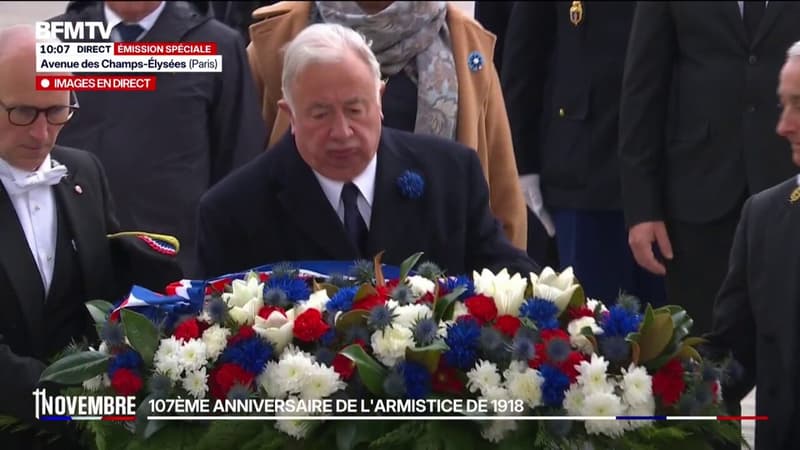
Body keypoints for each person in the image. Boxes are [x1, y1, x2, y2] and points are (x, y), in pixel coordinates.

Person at [196, 23, 538, 279]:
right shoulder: (233, 210)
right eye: (320, 114)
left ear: (380, 99)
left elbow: (503, 272)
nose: (342, 132)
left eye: (356, 109)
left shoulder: (451, 174)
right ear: (290, 115)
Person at [0, 25, 182, 450]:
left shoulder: (84, 171)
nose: (41, 134)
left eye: (57, 112)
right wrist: (80, 409)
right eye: (23, 112)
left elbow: (105, 291)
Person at [245, 1, 528, 251]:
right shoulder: (280, 33)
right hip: (300, 268)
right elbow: (241, 177)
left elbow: (500, 187)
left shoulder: (463, 40)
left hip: (434, 274)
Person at [619, 1, 800, 334]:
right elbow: (643, 87)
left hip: (789, 183)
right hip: (699, 193)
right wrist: (642, 206)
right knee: (708, 352)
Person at [52, 1, 266, 277]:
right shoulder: (55, 41)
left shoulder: (216, 45)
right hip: (74, 262)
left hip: (176, 269)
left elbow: (239, 161)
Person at [502, 2, 665, 306]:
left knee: (675, 331)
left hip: (670, 168)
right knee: (592, 331)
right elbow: (526, 54)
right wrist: (524, 165)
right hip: (585, 168)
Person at [706, 40, 800, 450]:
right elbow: (730, 358)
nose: (783, 126)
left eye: (799, 104)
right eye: (784, 105)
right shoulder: (763, 218)